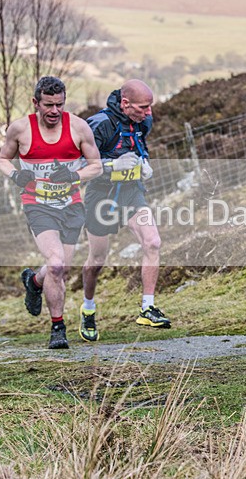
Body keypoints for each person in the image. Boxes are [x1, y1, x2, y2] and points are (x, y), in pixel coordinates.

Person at [0, 76, 102, 349]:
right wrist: (17, 175)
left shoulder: (79, 127)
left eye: (59, 104)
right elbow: (2, 160)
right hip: (37, 205)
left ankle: (34, 281)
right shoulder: (20, 129)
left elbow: (96, 167)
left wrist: (73, 175)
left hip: (71, 205)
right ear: (36, 103)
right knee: (56, 263)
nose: (54, 111)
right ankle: (58, 328)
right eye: (48, 105)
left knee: (60, 269)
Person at [80, 79, 170, 342]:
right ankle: (88, 308)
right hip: (100, 196)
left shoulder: (144, 121)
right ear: (125, 103)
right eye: (144, 107)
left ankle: (147, 307)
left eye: (150, 106)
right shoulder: (98, 124)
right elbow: (79, 166)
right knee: (97, 261)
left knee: (153, 242)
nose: (149, 113)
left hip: (131, 193)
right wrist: (111, 165)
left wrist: (144, 163)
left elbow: (138, 147)